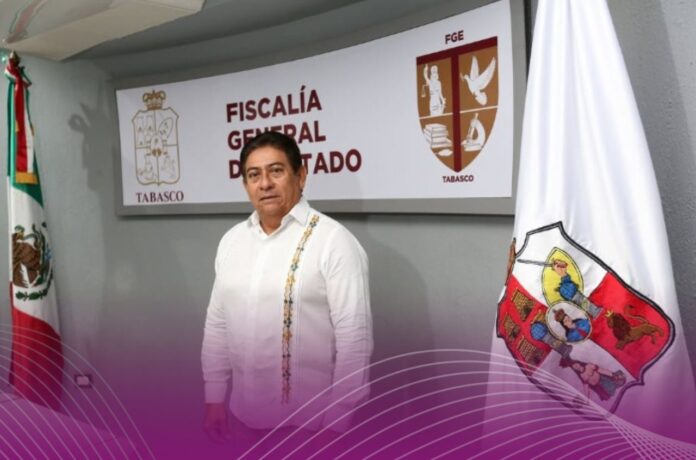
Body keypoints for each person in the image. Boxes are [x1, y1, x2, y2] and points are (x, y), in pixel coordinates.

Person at [201, 131, 373, 451]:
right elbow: (217, 325)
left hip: (309, 428)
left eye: (276, 171)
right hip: (240, 419)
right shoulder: (232, 241)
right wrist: (214, 397)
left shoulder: (334, 242)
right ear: (245, 184)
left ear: (301, 175)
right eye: (254, 175)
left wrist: (336, 424)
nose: (265, 183)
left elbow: (355, 340)